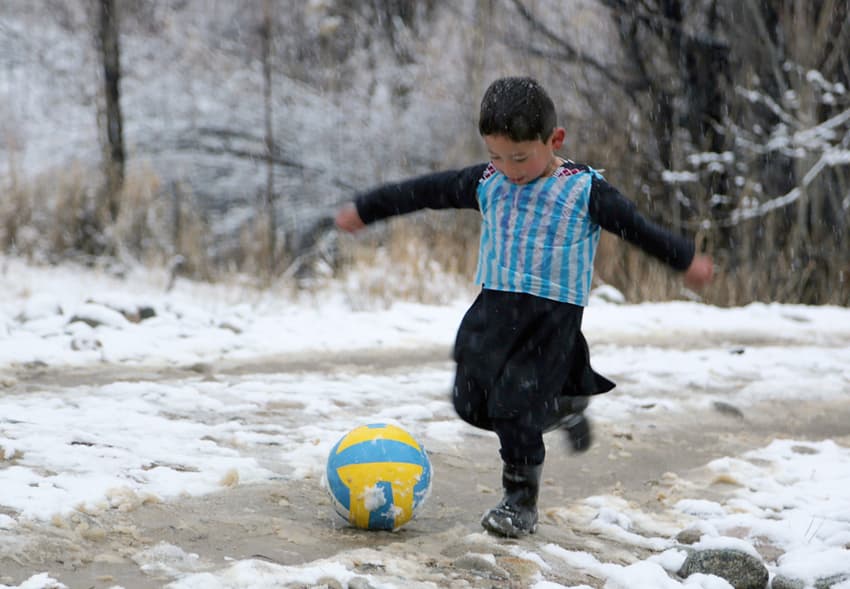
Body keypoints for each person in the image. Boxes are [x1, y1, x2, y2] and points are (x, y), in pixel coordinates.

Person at [334, 76, 714, 538]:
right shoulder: (487, 181)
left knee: (513, 408)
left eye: (520, 157)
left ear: (554, 140)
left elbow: (638, 228)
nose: (508, 168)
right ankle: (562, 406)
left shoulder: (584, 190)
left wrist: (684, 258)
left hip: (549, 320)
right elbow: (423, 192)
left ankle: (520, 502)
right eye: (496, 155)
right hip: (494, 309)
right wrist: (367, 209)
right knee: (471, 403)